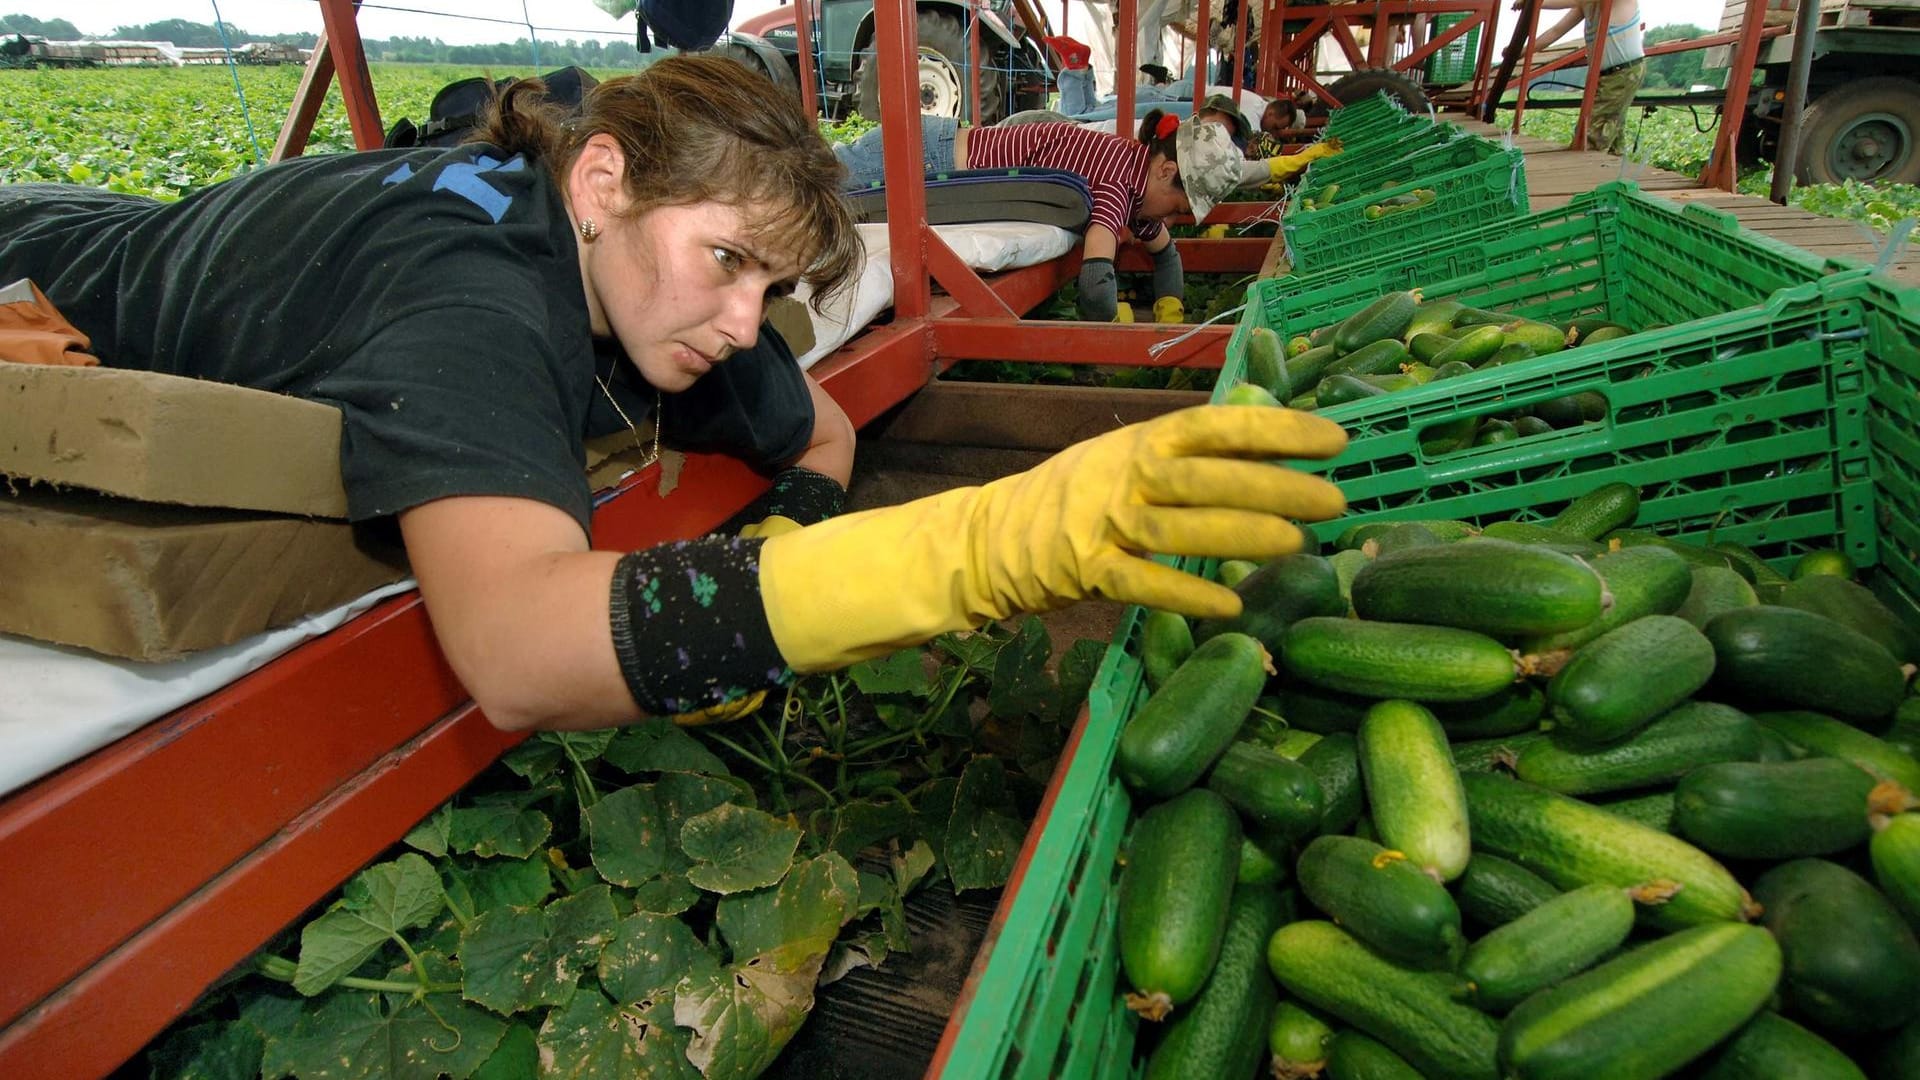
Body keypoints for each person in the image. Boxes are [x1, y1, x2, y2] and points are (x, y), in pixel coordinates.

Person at [0, 55, 1350, 733]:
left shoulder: (672, 293)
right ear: (600, 184)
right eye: (724, 263)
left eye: (767, 284)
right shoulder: (468, 298)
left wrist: (787, 543)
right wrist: (971, 552)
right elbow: (518, 652)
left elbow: (814, 421)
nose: (739, 323)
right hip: (45, 251)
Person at [832, 110, 1243, 325]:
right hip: (921, 159)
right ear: (1166, 172)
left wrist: (1172, 306)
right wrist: (1120, 327)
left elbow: (1166, 255)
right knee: (802, 187)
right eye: (1176, 209)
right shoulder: (1118, 181)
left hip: (930, 150)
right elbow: (1096, 280)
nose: (1169, 221)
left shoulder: (1139, 176)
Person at [1519, 0, 1645, 154]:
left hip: (1622, 72)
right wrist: (1522, 51)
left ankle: (1591, 163)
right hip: (1605, 75)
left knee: (1591, 133)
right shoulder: (1586, 5)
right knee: (1610, 126)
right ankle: (1614, 163)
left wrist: (1534, 2)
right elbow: (1555, 31)